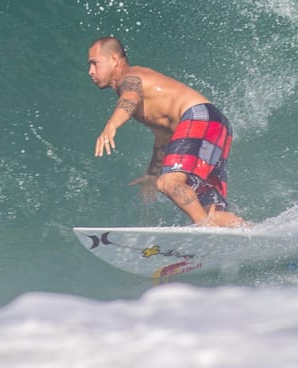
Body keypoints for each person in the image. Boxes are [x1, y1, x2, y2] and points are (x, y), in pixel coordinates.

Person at [86, 36, 247, 227]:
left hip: (198, 117)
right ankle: (256, 238)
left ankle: (205, 231)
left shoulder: (129, 78)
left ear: (114, 59)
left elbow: (130, 98)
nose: (90, 71)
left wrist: (111, 125)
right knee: (208, 211)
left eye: (94, 63)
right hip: (216, 124)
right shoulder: (146, 94)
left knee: (169, 183)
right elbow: (163, 137)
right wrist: (152, 173)